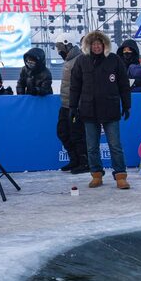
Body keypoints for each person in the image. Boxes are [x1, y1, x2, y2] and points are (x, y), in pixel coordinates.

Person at [69, 30, 132, 190]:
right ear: (88, 46)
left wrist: (126, 105)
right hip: (88, 110)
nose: (96, 46)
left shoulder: (114, 60)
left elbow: (124, 86)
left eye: (99, 44)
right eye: (93, 44)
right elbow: (75, 86)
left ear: (104, 45)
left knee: (115, 145)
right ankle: (96, 174)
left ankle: (120, 176)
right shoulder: (82, 61)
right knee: (91, 146)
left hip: (110, 109)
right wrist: (73, 107)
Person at [55, 33, 88, 175]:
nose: (59, 51)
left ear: (68, 45)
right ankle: (74, 159)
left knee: (77, 134)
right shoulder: (69, 60)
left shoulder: (80, 59)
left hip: (76, 106)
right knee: (62, 132)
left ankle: (84, 162)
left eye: (60, 47)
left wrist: (79, 104)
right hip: (65, 104)